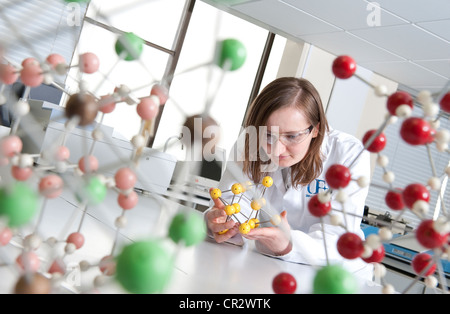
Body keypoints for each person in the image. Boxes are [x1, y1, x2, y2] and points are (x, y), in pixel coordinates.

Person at [205, 77, 373, 279]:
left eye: (292, 136)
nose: (276, 150)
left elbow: (336, 240)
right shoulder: (249, 144)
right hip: (270, 267)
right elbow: (232, 209)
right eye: (267, 135)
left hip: (334, 277)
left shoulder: (349, 153)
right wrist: (217, 223)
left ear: (315, 129)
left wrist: (288, 244)